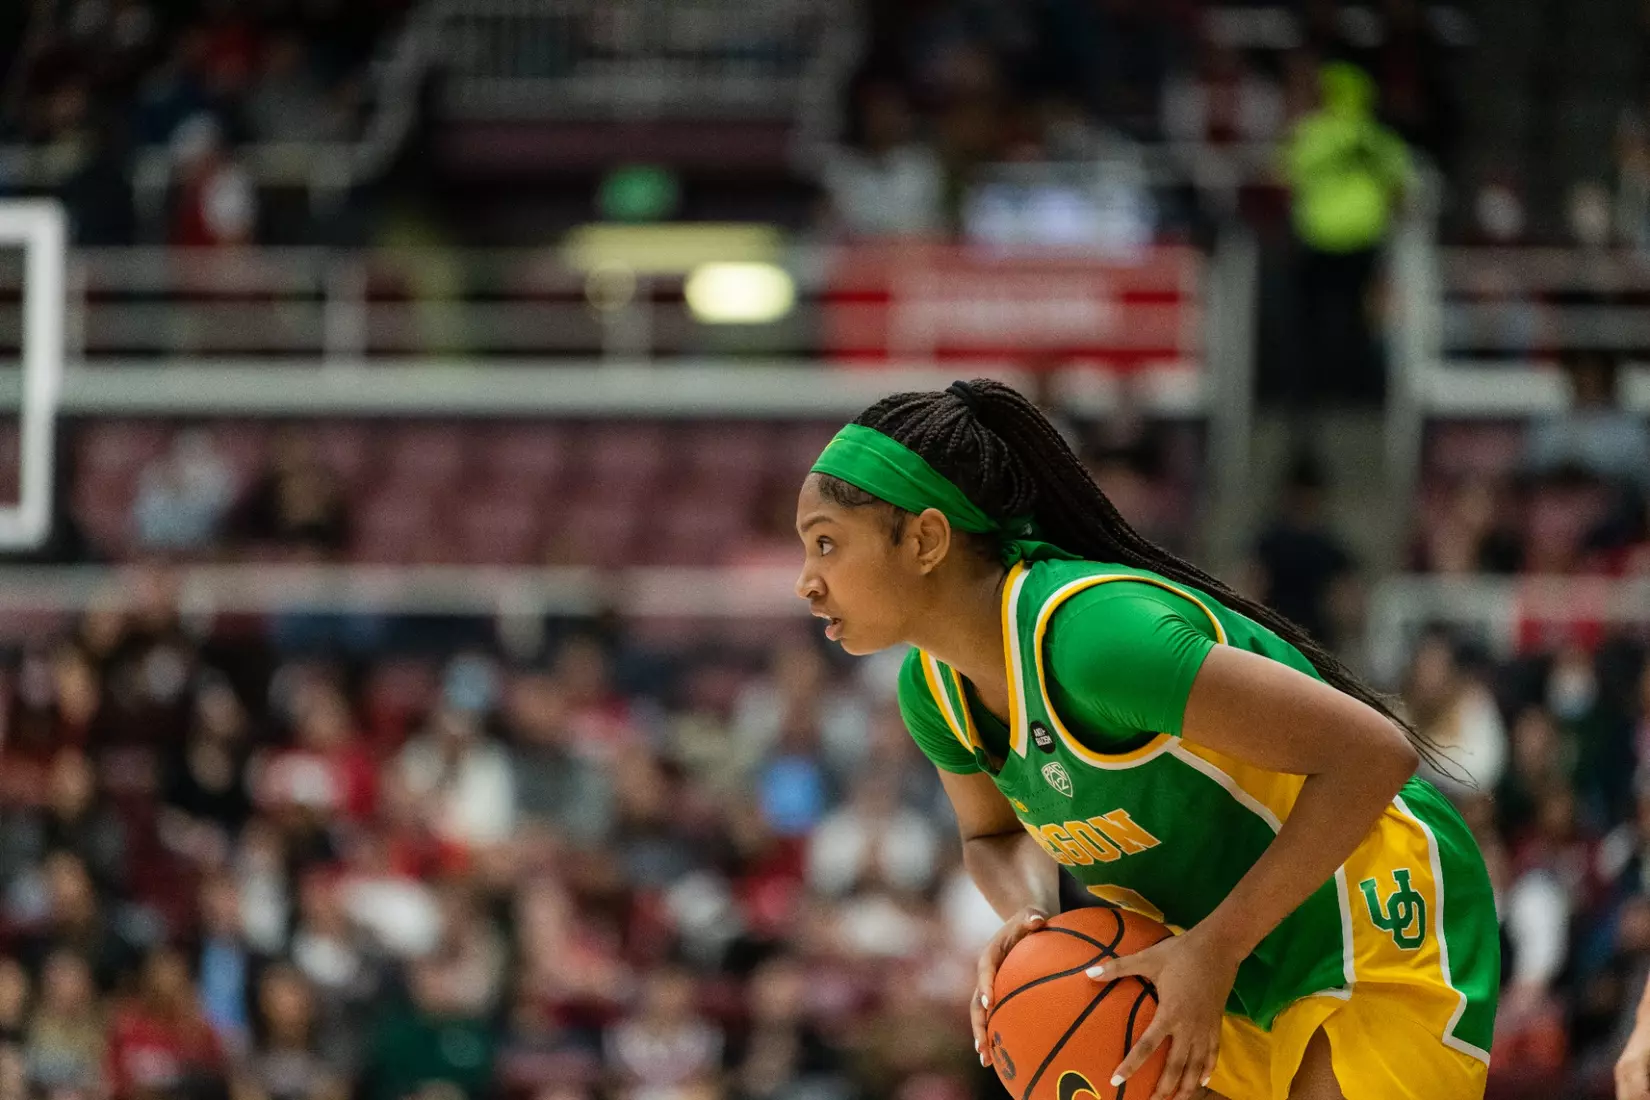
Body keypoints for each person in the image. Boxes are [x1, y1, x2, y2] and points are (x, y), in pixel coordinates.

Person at [791, 379, 1499, 1100]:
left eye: (826, 544)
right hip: (1207, 948)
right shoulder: (932, 690)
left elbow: (1373, 755)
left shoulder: (1094, 640)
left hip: (1359, 908)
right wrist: (1034, 923)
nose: (806, 583)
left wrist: (1217, 948)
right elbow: (992, 838)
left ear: (925, 539)